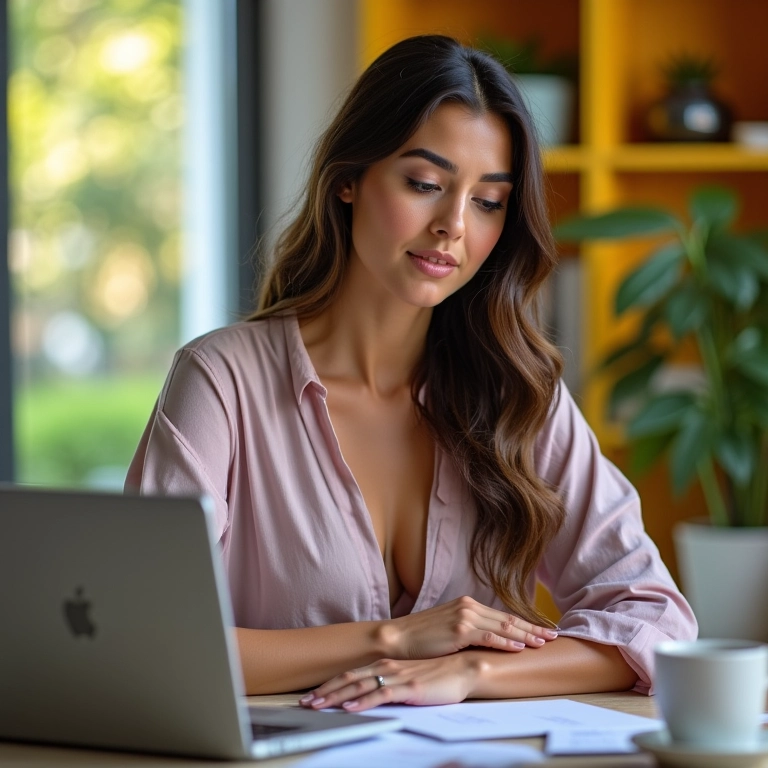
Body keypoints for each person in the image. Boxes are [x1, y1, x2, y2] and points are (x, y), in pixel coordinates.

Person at [126, 34, 697, 712]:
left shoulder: (518, 394)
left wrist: (470, 672)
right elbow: (147, 641)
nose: (453, 225)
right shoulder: (221, 383)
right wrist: (393, 639)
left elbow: (656, 621)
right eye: (425, 185)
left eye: (488, 201)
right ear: (348, 178)